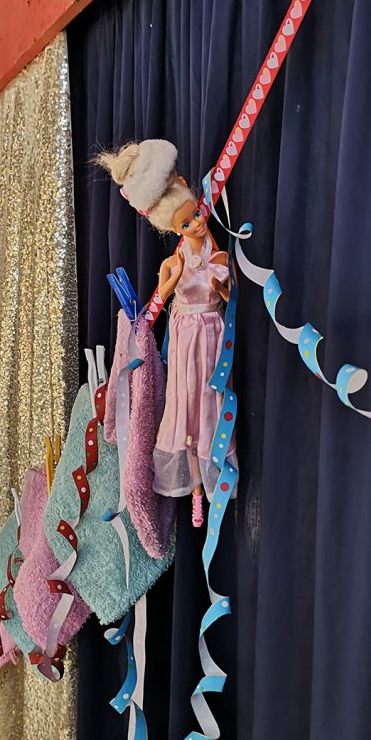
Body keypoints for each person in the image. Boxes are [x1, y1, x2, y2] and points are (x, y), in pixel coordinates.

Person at [98, 139, 235, 527]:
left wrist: (223, 288)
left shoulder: (216, 252)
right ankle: (195, 489)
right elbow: (165, 291)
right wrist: (176, 277)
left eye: (196, 216)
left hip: (212, 331)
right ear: (173, 229)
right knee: (184, 406)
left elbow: (228, 294)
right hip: (186, 335)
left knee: (210, 401)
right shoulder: (173, 262)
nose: (196, 224)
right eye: (186, 224)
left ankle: (213, 479)